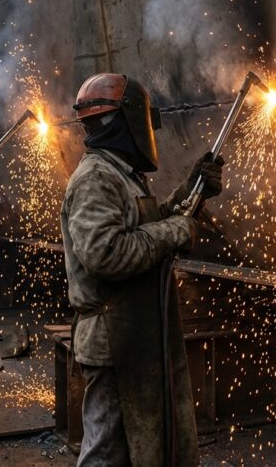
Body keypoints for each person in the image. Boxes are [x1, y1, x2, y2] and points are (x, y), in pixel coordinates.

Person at [60, 73, 226, 466]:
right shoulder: (95, 178)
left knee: (140, 449)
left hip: (135, 335)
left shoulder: (121, 173)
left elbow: (144, 228)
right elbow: (107, 254)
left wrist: (191, 191)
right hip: (112, 342)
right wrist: (175, 230)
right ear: (128, 120)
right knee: (107, 452)